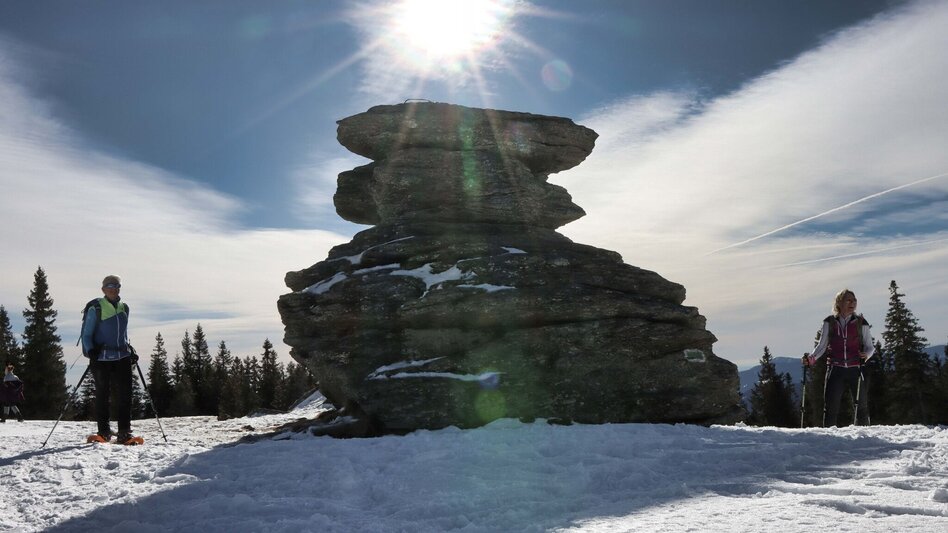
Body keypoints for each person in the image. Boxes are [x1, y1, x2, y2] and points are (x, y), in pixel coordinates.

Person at [803, 289, 874, 426]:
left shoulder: (861, 323)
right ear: (839, 303)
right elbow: (822, 345)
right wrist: (811, 359)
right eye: (848, 300)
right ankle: (829, 436)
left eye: (854, 300)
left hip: (856, 369)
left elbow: (870, 347)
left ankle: (865, 435)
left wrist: (866, 355)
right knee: (831, 408)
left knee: (862, 408)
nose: (852, 303)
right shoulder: (829, 322)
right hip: (835, 369)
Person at [81, 275, 138, 443]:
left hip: (122, 356)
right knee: (102, 395)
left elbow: (123, 334)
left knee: (125, 395)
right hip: (101, 358)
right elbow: (87, 334)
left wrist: (130, 350)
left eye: (117, 286)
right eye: (110, 286)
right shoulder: (96, 308)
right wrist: (91, 351)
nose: (113, 289)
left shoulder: (124, 308)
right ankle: (104, 431)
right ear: (103, 289)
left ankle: (124, 432)